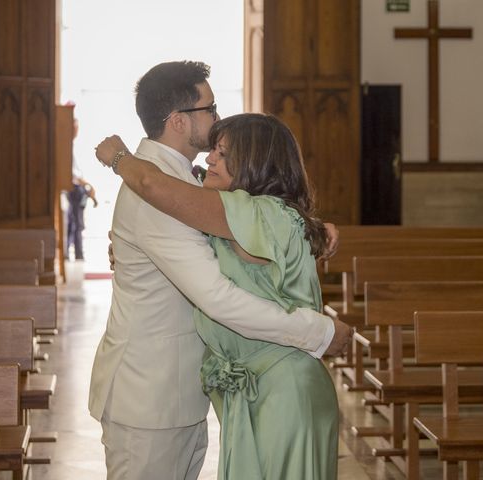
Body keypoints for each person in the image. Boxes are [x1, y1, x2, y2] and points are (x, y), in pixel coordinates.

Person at [89, 60, 352, 480]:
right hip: (151, 395)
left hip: (184, 392)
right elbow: (217, 296)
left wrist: (312, 229)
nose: (216, 119)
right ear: (178, 120)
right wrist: (319, 331)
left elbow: (249, 236)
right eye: (210, 109)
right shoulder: (158, 193)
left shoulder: (187, 186)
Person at [65, 118, 98, 260]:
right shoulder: (64, 145)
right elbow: (72, 174)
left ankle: (78, 253)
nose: (76, 131)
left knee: (77, 224)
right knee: (74, 224)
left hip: (78, 189)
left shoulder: (71, 145)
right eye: (74, 127)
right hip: (73, 189)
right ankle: (74, 254)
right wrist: (87, 184)